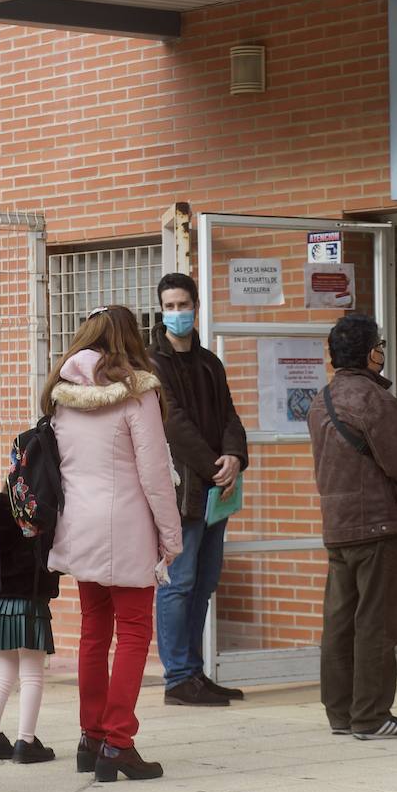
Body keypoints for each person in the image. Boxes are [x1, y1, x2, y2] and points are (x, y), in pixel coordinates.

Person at [45, 305, 182, 782]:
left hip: (79, 525)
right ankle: (118, 742)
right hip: (125, 526)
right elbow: (154, 473)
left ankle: (91, 735)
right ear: (131, 338)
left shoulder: (64, 395)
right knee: (136, 630)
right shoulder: (137, 393)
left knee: (93, 631)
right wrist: (171, 536)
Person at [307, 313, 397, 740]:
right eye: (379, 345)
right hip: (374, 524)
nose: (382, 353)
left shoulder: (322, 398)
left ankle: (340, 713)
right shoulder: (374, 399)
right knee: (375, 621)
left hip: (336, 526)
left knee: (339, 622)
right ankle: (372, 716)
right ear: (369, 352)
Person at [148, 273, 250, 707]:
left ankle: (195, 671)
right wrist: (215, 466)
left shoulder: (210, 362)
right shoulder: (153, 364)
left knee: (205, 580)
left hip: (214, 491)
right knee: (179, 582)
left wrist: (234, 457)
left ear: (196, 304)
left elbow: (229, 414)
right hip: (183, 489)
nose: (177, 313)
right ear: (161, 310)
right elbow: (174, 425)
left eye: (183, 304)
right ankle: (178, 677)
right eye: (169, 306)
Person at [0, 492, 61, 764]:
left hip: (0, 601)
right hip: (30, 602)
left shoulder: (0, 504)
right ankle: (26, 740)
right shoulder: (44, 506)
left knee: (4, 674)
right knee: (32, 675)